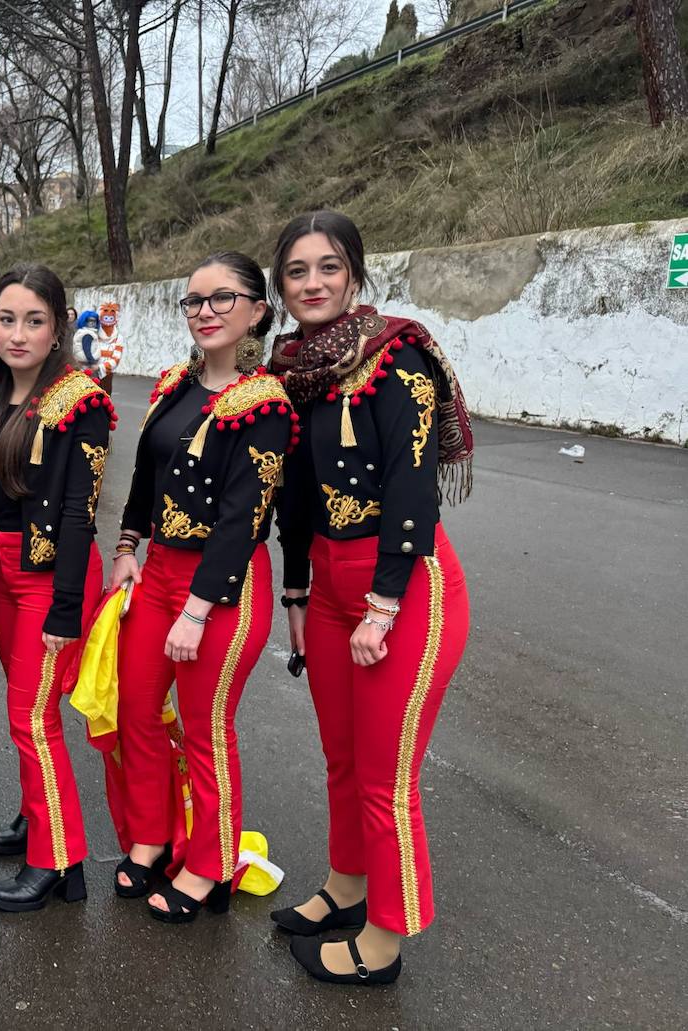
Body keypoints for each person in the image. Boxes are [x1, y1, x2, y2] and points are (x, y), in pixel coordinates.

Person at [268, 210, 473, 985]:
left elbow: (411, 484)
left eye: (328, 266)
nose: (313, 282)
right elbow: (296, 493)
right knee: (343, 759)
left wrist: (384, 603)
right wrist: (296, 586)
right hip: (328, 587)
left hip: (406, 586)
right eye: (297, 270)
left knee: (388, 777)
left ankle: (385, 938)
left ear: (354, 272)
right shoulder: (297, 372)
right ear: (282, 284)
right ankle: (347, 888)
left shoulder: (398, 357)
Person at [107, 251, 295, 923]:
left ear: (257, 311)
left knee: (207, 728)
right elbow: (144, 480)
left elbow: (243, 520)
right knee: (137, 712)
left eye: (222, 299)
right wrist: (128, 546)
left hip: (223, 588)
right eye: (194, 301)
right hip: (156, 574)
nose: (205, 312)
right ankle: (154, 838)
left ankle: (211, 867)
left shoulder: (264, 404)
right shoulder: (173, 384)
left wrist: (194, 610)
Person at [0, 264, 117, 912]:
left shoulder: (82, 400)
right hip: (8, 573)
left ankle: (57, 859)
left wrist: (67, 610)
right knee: (28, 720)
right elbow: (3, 481)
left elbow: (77, 512)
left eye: (34, 320)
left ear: (57, 328)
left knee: (31, 719)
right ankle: (36, 818)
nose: (18, 333)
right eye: (7, 318)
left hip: (53, 579)